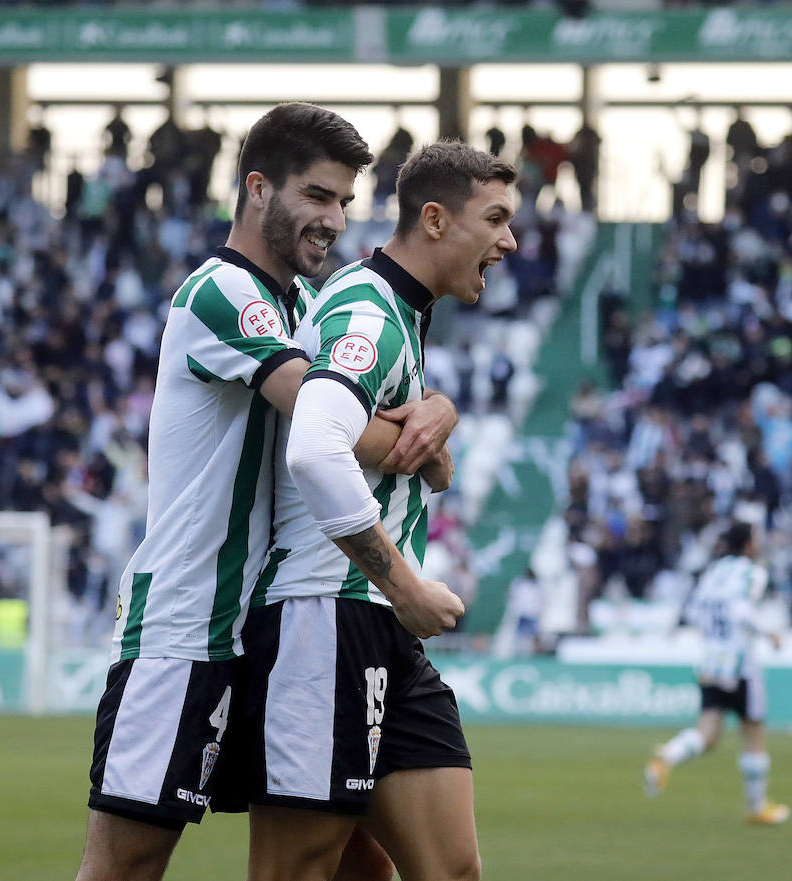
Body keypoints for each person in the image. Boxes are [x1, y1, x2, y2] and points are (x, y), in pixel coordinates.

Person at [73, 103, 458, 881]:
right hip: (183, 628)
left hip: (258, 626)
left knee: (359, 858)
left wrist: (436, 410)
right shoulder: (222, 291)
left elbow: (365, 398)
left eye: (345, 202)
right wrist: (425, 435)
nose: (333, 220)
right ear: (257, 188)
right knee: (127, 865)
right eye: (317, 196)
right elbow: (331, 422)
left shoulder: (300, 308)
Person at [233, 140, 517, 881]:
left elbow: (379, 440)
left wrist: (435, 427)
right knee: (297, 871)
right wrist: (407, 585)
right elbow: (316, 448)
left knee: (443, 869)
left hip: (373, 622)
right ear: (433, 218)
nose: (508, 241)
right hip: (323, 615)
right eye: (495, 218)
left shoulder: (395, 310)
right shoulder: (368, 312)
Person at [643, 520, 789, 825]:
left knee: (707, 734)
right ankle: (756, 808)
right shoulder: (752, 573)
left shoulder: (713, 573)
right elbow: (741, 612)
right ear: (749, 545)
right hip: (740, 666)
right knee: (754, 735)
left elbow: (694, 611)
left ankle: (666, 757)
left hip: (710, 661)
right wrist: (769, 633)